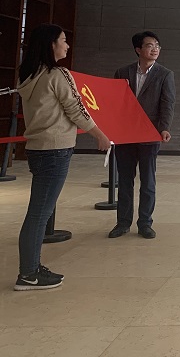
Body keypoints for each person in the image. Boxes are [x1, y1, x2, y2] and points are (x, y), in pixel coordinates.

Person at [15, 24, 111, 290]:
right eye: (63, 40)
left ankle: (31, 268)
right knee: (39, 214)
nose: (67, 46)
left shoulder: (29, 74)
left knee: (38, 212)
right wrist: (100, 135)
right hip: (55, 149)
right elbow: (76, 108)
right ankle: (28, 273)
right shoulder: (58, 74)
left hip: (37, 148)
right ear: (51, 44)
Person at [108, 31, 175, 240]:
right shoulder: (122, 72)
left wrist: (164, 128)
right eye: (149, 45)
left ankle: (145, 223)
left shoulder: (165, 74)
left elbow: (167, 103)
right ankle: (122, 223)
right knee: (125, 181)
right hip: (126, 134)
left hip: (149, 133)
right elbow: (115, 102)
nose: (155, 49)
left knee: (148, 182)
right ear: (138, 49)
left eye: (157, 46)